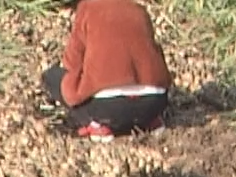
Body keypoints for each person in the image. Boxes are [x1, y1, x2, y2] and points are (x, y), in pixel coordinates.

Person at [40, 0, 172, 141]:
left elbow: (72, 63)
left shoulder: (87, 8)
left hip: (107, 108)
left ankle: (97, 125)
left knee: (53, 77)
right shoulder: (138, 10)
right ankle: (150, 122)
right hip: (154, 103)